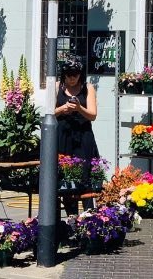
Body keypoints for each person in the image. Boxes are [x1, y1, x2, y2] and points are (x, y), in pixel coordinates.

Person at [55, 57, 98, 210]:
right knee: (65, 174)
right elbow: (49, 113)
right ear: (63, 74)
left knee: (85, 173)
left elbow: (93, 115)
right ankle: (71, 215)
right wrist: (62, 109)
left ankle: (89, 214)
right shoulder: (57, 87)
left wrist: (79, 108)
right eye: (69, 75)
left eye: (76, 75)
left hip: (83, 134)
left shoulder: (88, 88)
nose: (72, 79)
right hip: (63, 135)